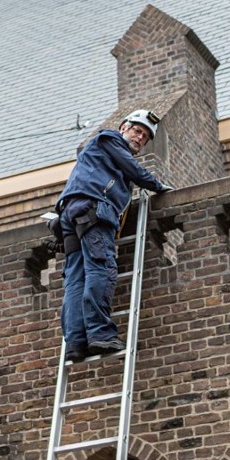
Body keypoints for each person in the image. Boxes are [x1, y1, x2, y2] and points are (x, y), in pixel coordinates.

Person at [52, 109, 173, 362]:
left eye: (145, 137)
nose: (139, 138)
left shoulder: (102, 158)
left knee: (77, 278)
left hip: (73, 216)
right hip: (93, 211)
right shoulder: (108, 139)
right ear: (123, 128)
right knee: (101, 269)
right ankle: (100, 334)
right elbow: (133, 170)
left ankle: (75, 342)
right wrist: (158, 186)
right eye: (136, 131)